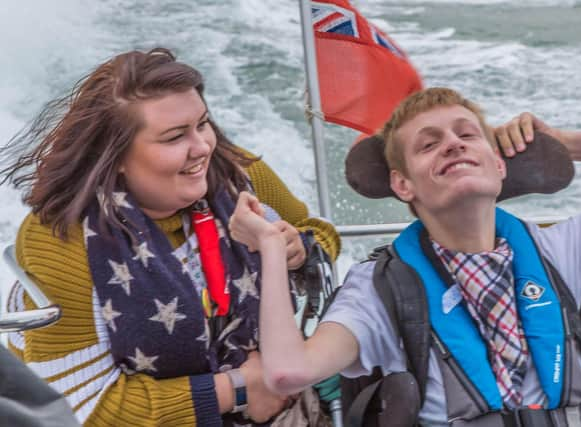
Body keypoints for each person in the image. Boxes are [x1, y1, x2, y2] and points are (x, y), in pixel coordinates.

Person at [229, 87, 581, 426]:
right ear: (402, 185)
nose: (453, 144)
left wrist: (566, 144)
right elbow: (288, 373)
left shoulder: (561, 251)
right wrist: (270, 248)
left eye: (468, 135)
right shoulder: (380, 289)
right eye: (429, 144)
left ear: (498, 165)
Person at [0, 47, 339, 426]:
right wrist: (241, 388)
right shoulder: (61, 238)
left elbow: (320, 234)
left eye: (203, 123)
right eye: (175, 137)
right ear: (117, 157)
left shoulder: (237, 175)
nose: (203, 147)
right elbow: (83, 407)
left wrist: (296, 251)